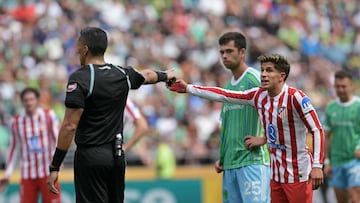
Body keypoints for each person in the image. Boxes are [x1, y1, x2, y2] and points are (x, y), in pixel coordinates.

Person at [168, 53, 325, 203]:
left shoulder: (296, 98)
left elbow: (317, 130)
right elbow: (224, 94)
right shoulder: (258, 96)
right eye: (262, 70)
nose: (263, 74)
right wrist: (188, 88)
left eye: (269, 70)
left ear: (282, 76)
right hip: (276, 174)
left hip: (298, 173)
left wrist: (317, 165)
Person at [46, 26, 175, 203]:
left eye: (78, 49)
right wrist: (165, 75)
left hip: (91, 156)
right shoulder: (122, 73)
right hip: (117, 155)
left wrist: (55, 165)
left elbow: (69, 126)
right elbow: (146, 75)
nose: (77, 53)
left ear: (85, 50)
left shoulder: (81, 78)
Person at [212, 31, 270, 203]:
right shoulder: (228, 86)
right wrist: (222, 158)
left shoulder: (255, 79)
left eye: (229, 51)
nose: (225, 56)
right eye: (222, 52)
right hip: (230, 165)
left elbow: (278, 108)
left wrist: (265, 138)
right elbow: (227, 126)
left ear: (242, 52)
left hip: (252, 161)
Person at [0, 87, 61, 203]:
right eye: (26, 100)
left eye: (31, 99)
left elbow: (57, 139)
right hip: (27, 173)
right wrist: (8, 173)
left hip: (48, 173)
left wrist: (57, 160)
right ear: (22, 102)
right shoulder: (16, 121)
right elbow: (14, 148)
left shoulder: (48, 115)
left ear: (37, 100)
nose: (29, 102)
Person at [323, 70, 360, 203]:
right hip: (337, 161)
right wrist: (326, 161)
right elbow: (326, 137)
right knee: (341, 200)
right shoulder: (331, 108)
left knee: (356, 196)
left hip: (355, 160)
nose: (340, 89)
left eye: (343, 86)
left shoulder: (358, 106)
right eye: (337, 86)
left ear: (351, 86)